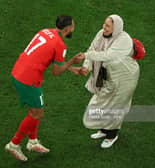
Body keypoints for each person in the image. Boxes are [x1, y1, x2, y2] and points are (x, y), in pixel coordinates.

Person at [5, 15, 84, 161]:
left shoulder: (45, 31)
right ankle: (14, 144)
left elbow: (50, 58)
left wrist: (72, 68)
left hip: (19, 71)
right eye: (73, 26)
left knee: (34, 110)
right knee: (37, 113)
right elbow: (56, 71)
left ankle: (33, 141)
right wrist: (72, 60)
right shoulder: (60, 45)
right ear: (67, 29)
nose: (74, 28)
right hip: (29, 80)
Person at [79, 14, 140, 148]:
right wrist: (86, 66)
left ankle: (112, 135)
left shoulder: (124, 39)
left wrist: (86, 56)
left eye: (107, 26)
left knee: (115, 106)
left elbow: (108, 55)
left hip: (125, 78)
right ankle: (104, 129)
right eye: (104, 24)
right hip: (109, 76)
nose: (104, 28)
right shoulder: (101, 34)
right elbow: (93, 48)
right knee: (100, 103)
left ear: (116, 28)